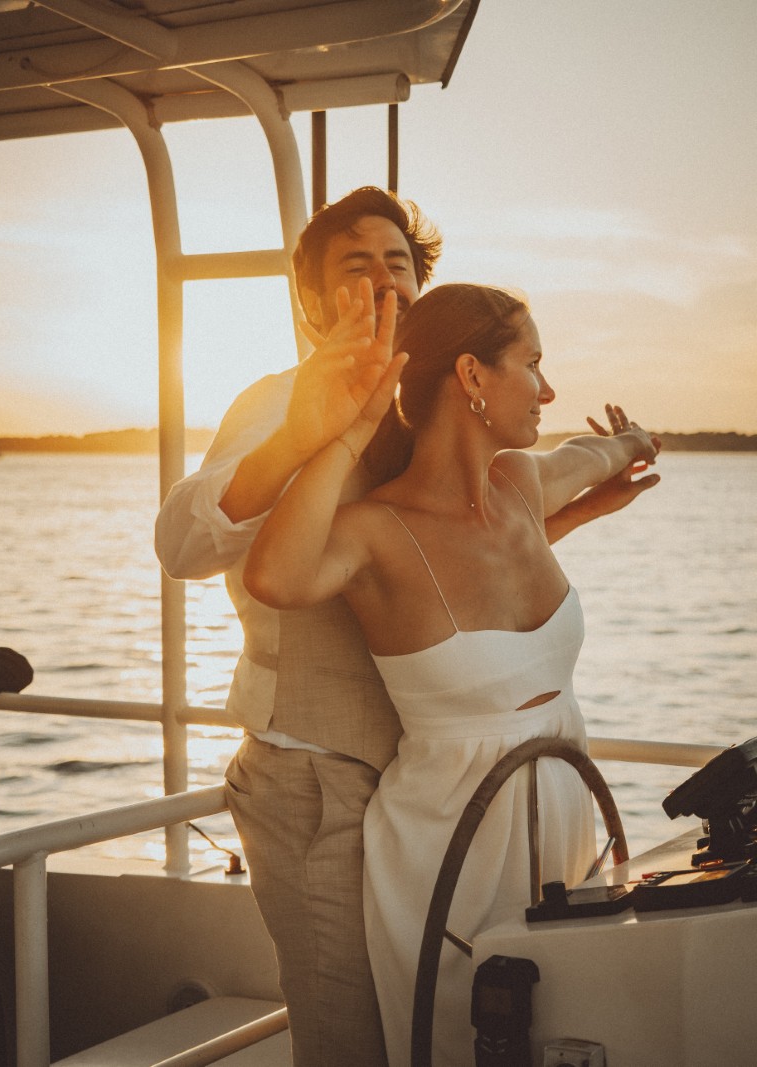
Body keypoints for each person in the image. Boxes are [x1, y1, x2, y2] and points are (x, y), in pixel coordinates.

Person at [154, 187, 659, 1066]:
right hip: (321, 778)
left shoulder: (433, 418)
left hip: (441, 781)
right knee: (357, 1042)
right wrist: (312, 436)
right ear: (314, 302)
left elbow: (463, 548)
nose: (385, 280)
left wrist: (583, 502)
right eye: (357, 265)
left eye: (400, 264)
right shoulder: (280, 403)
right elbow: (184, 544)